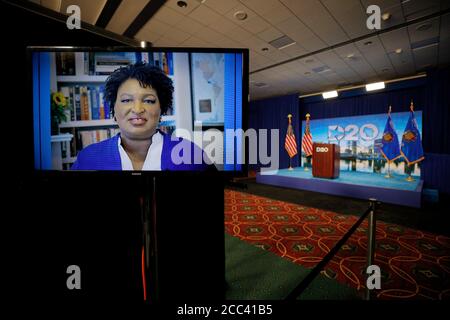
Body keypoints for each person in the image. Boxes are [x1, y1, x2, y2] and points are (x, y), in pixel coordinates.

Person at [71, 62, 213, 171]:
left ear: (161, 108)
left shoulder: (190, 154)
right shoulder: (88, 158)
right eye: (126, 100)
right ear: (114, 108)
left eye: (148, 100)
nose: (137, 109)